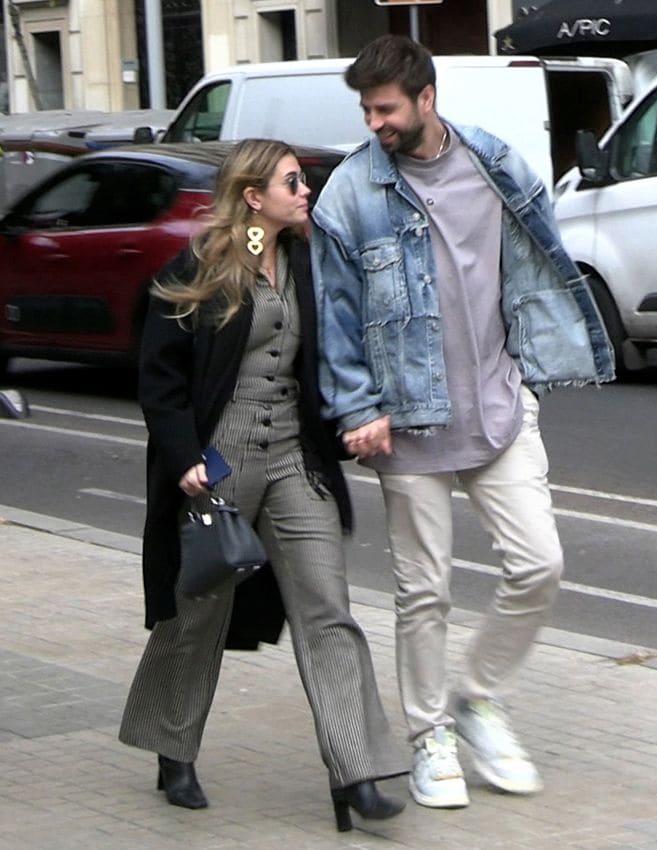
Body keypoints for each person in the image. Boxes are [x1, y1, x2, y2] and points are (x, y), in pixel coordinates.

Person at [310, 35, 615, 810]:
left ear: (425, 99)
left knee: (538, 564)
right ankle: (429, 736)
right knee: (425, 593)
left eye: (385, 108)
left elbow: (540, 262)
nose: (374, 122)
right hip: (408, 425)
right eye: (366, 109)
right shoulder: (350, 193)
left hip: (503, 408)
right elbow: (335, 318)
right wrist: (358, 408)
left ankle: (478, 698)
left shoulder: (493, 164)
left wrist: (536, 359)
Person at [119, 138, 407, 831]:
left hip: (294, 460)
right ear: (254, 198)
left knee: (329, 610)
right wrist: (184, 455)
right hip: (220, 459)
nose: (304, 190)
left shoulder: (306, 261)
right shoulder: (206, 266)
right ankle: (170, 747)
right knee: (197, 610)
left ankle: (357, 773)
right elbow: (160, 377)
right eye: (290, 182)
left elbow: (336, 350)